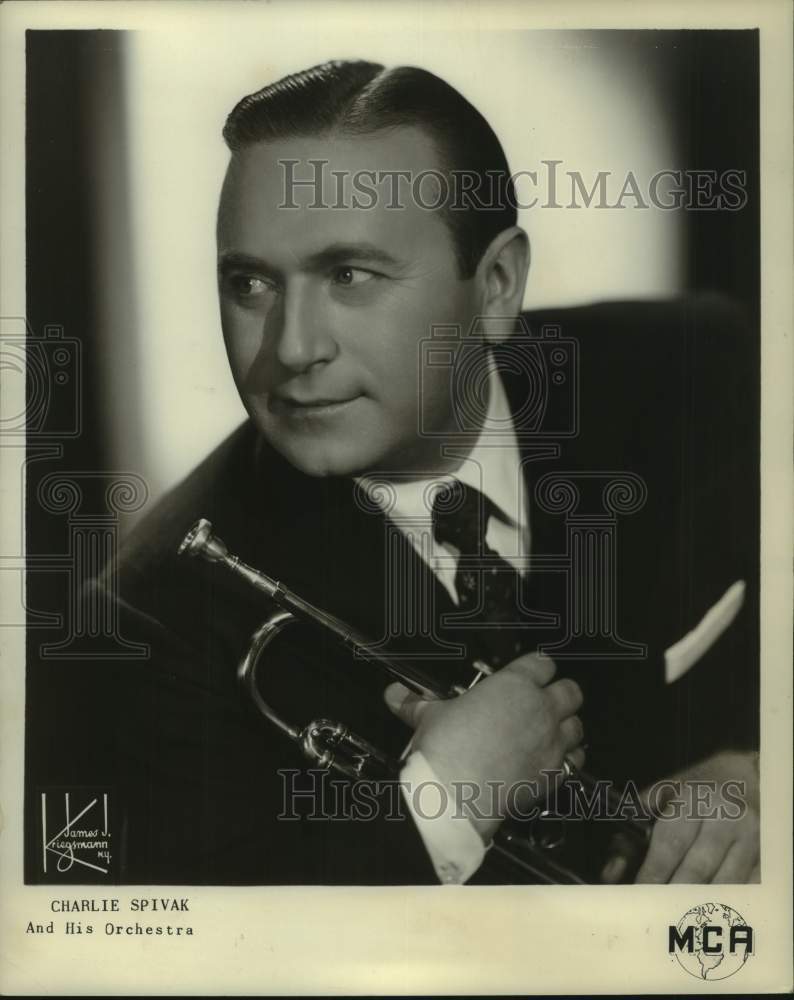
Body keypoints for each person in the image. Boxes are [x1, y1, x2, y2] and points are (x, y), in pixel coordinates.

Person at [88, 61, 759, 885]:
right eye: (251, 283)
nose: (293, 347)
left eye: (350, 276)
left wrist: (754, 770)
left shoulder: (713, 374)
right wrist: (439, 807)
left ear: (498, 285)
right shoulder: (142, 623)